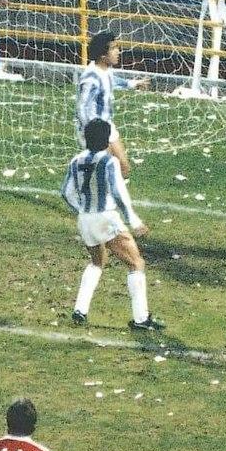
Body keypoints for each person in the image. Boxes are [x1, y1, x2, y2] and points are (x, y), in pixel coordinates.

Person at [61, 118, 163, 332]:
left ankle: (80, 309)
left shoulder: (75, 160)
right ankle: (141, 319)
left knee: (97, 262)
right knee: (136, 263)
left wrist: (81, 210)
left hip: (85, 220)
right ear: (108, 140)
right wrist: (134, 221)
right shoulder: (109, 162)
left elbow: (66, 192)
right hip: (106, 218)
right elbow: (118, 193)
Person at [75, 31, 149, 226]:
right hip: (95, 130)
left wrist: (133, 83)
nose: (118, 52)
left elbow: (112, 81)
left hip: (108, 126)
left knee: (124, 166)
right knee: (110, 169)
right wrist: (92, 133)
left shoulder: (105, 70)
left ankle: (105, 197)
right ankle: (123, 214)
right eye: (114, 48)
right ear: (102, 55)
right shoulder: (90, 77)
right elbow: (82, 107)